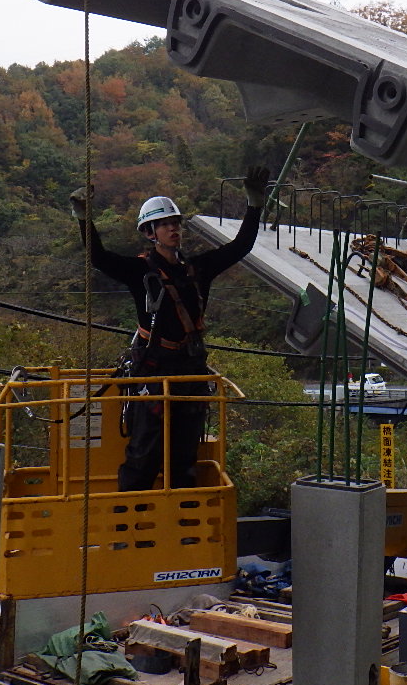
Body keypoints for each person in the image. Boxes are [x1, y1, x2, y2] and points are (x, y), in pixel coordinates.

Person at [70, 166, 269, 491]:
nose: (173, 229)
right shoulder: (139, 271)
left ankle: (183, 516)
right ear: (150, 233)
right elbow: (100, 258)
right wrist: (84, 218)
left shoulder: (197, 269)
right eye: (165, 224)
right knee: (144, 456)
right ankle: (129, 520)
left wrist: (254, 205)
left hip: (190, 371)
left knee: (184, 458)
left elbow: (240, 246)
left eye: (175, 223)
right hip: (155, 371)